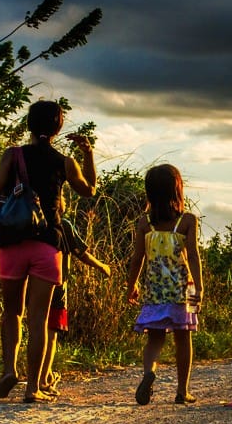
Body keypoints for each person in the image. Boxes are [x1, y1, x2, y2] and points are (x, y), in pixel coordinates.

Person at [0, 100, 96, 403]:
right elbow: (90, 190)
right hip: (48, 246)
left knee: (11, 313)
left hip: (11, 244)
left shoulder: (12, 155)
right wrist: (88, 154)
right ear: (58, 128)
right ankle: (33, 388)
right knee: (38, 319)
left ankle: (9, 370)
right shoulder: (66, 162)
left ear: (29, 125)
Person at [126, 163, 203, 406]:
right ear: (177, 190)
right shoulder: (188, 221)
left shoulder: (144, 224)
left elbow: (137, 258)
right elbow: (193, 256)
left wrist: (131, 286)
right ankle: (182, 391)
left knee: (154, 339)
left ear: (150, 192)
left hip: (154, 290)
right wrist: (198, 289)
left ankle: (149, 372)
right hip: (185, 288)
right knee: (184, 337)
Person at [40, 197, 112, 397]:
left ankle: (38, 376)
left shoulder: (34, 222)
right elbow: (81, 253)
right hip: (57, 285)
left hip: (34, 286)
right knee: (52, 332)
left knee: (38, 329)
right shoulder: (63, 225)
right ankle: (44, 378)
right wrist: (102, 266)